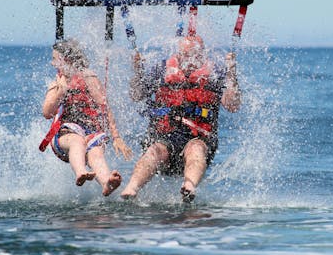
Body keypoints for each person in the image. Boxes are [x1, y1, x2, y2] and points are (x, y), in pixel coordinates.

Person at [121, 35, 241, 202]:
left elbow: (232, 105)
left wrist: (232, 73)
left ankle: (189, 187)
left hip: (199, 137)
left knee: (195, 149)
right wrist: (137, 71)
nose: (190, 60)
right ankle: (132, 188)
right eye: (185, 55)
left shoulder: (215, 73)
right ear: (178, 54)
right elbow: (137, 95)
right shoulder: (161, 70)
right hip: (164, 136)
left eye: (195, 55)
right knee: (154, 151)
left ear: (202, 54)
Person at [41, 39, 133, 196]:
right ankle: (81, 172)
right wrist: (60, 92)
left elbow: (105, 107)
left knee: (95, 151)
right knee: (78, 142)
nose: (52, 63)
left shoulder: (89, 78)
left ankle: (107, 182)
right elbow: (47, 113)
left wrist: (116, 137)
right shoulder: (57, 83)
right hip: (65, 135)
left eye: (55, 59)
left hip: (91, 130)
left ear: (66, 60)